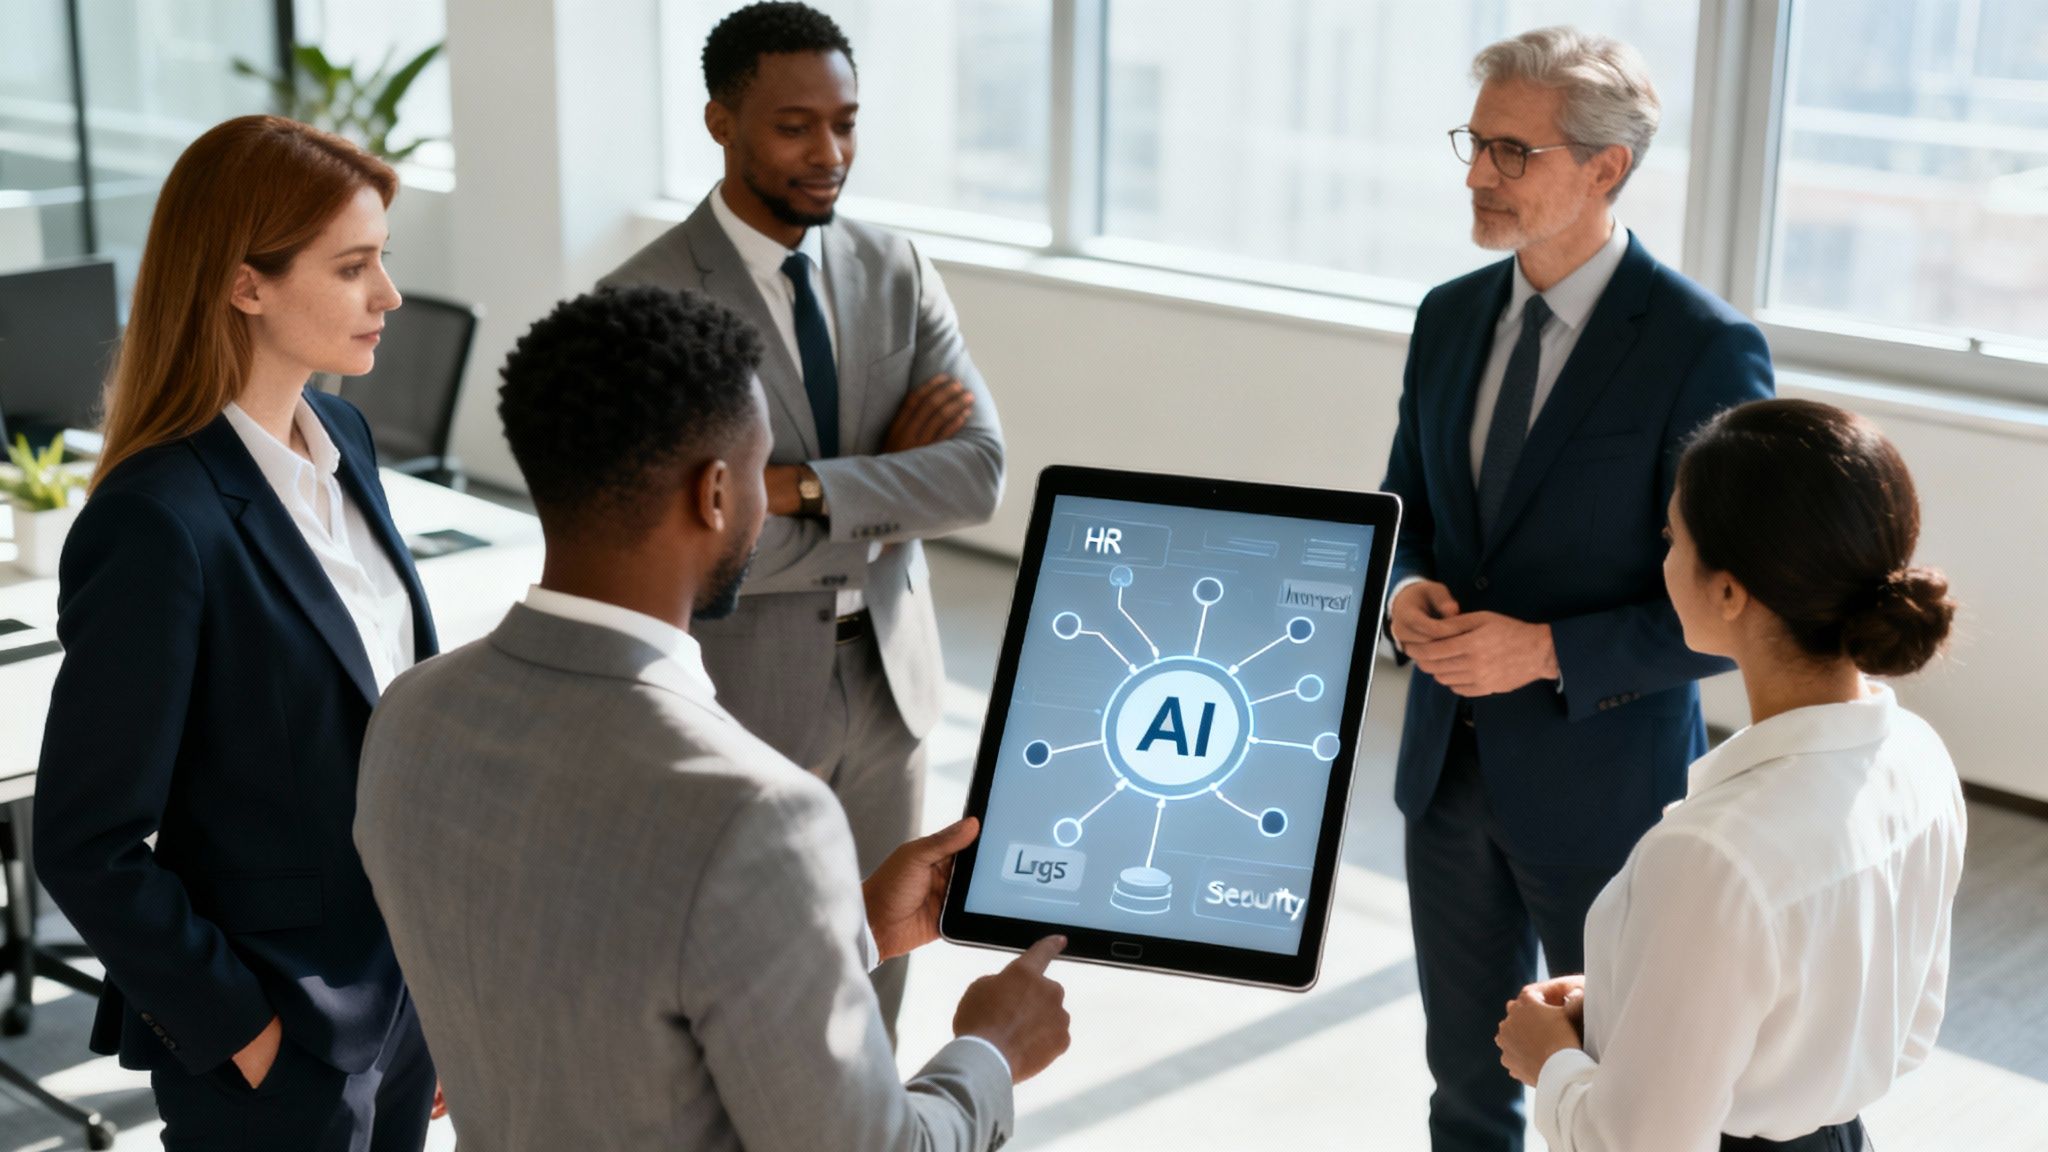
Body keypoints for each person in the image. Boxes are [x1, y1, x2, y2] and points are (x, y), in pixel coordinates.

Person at [354, 286, 1067, 1151]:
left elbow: (582, 985)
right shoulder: (756, 814)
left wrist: (852, 933)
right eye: (763, 471)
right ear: (719, 494)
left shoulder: (410, 717)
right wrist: (991, 1047)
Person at [1378, 27, 1776, 1151]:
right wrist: (1399, 592)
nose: (1475, 175)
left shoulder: (1702, 349)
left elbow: (1739, 610)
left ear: (1607, 166)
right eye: (1473, 143)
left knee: (1625, 1092)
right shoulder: (1446, 318)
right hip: (1443, 776)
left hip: (1604, 797)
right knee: (1462, 1082)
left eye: (1511, 152)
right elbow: (1402, 504)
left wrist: (1546, 650)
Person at [33, 115, 440, 1150]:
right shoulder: (156, 519)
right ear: (244, 282)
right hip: (280, 1041)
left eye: (382, 261)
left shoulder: (341, 434)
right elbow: (89, 844)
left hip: (403, 1001)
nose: (387, 295)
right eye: (353, 268)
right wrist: (248, 1035)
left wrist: (439, 989)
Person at [600, 1, 1006, 1036]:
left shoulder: (895, 268)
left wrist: (804, 485)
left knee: (877, 985)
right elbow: (690, 550)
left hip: (891, 693)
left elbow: (975, 475)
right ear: (719, 121)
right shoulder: (642, 303)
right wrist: (885, 481)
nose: (829, 152)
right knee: (748, 992)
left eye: (846, 122)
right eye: (794, 125)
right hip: (740, 698)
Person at [1495, 398, 1967, 1152]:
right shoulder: (1919, 757)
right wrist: (1628, 1006)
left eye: (1672, 538)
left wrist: (1548, 1059)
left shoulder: (1711, 855)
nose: (1663, 561)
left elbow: (1638, 1145)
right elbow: (1901, 1029)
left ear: (1727, 590)